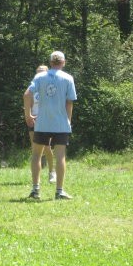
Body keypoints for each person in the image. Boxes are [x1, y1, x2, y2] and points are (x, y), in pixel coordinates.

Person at [24, 51, 77, 200]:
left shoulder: (39, 77)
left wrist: (27, 115)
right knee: (60, 157)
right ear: (63, 62)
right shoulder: (68, 78)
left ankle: (35, 190)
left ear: (50, 63)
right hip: (61, 123)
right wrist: (68, 121)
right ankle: (59, 191)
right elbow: (69, 102)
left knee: (36, 155)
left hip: (42, 122)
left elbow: (27, 94)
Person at [28, 65, 56, 183]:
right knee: (35, 148)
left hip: (46, 120)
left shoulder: (50, 87)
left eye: (42, 72)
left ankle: (51, 172)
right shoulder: (32, 88)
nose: (39, 74)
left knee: (47, 147)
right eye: (37, 72)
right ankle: (36, 177)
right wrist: (28, 115)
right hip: (33, 120)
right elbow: (28, 102)